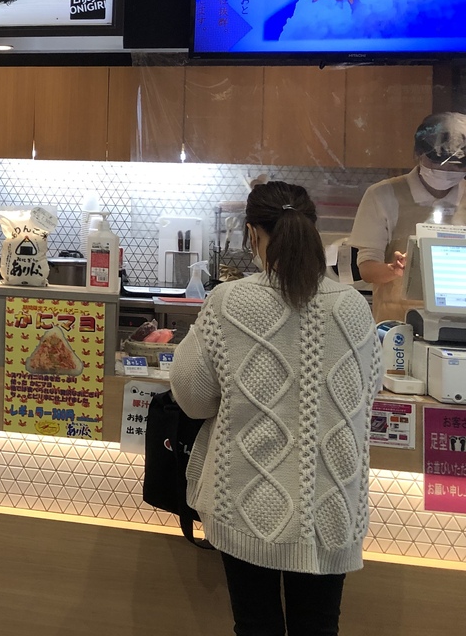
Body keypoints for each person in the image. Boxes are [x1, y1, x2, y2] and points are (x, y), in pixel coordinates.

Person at [171, 181, 381, 636]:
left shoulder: (228, 301)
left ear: (252, 233)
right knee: (319, 628)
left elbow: (192, 397)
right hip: (332, 507)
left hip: (246, 504)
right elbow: (370, 389)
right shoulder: (353, 306)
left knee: (255, 626)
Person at [350, 112, 466, 323]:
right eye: (437, 161)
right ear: (419, 154)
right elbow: (367, 269)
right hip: (398, 324)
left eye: (456, 165)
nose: (446, 170)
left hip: (459, 325)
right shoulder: (383, 196)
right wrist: (393, 270)